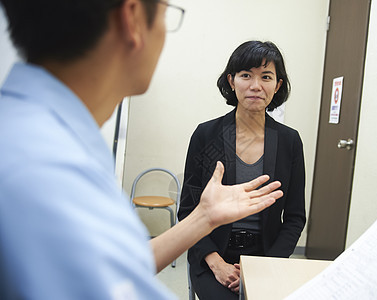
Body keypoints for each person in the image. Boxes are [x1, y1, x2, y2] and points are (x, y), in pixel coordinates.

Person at [0, 1, 284, 299]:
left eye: (265, 77)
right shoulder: (46, 167)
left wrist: (205, 218)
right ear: (132, 17)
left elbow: (110, 268)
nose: (255, 85)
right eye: (165, 14)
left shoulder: (36, 133)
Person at [178, 40, 306, 299]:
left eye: (266, 77)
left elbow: (294, 217)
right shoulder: (206, 135)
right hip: (213, 255)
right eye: (246, 75)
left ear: (278, 85)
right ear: (231, 81)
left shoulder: (289, 141)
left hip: (267, 256)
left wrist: (266, 265)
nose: (256, 85)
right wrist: (216, 263)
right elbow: (188, 211)